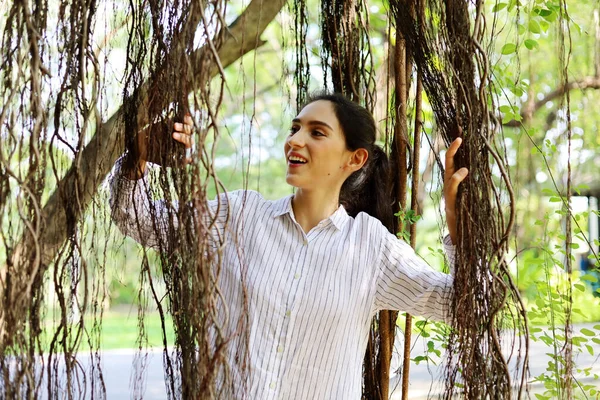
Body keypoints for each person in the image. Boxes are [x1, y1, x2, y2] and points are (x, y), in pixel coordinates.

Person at [110, 92, 468, 399]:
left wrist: (457, 229)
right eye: (295, 128)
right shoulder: (241, 216)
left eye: (316, 132)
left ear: (354, 159)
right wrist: (138, 158)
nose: (295, 140)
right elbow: (137, 217)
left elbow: (459, 307)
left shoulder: (371, 248)